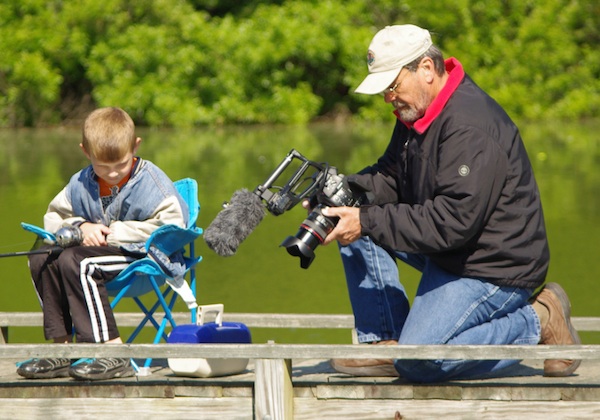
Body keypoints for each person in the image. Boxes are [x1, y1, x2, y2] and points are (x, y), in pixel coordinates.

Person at [319, 24, 581, 382]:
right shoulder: (417, 112)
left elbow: (452, 223)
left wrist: (366, 220)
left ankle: (538, 319)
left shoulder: (470, 126)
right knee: (349, 212)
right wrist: (337, 193)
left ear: (426, 68)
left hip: (496, 266)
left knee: (420, 362)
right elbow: (392, 178)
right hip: (454, 251)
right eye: (384, 90)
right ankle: (386, 341)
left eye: (393, 86)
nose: (388, 99)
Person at [17, 107, 189, 381]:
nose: (111, 173)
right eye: (102, 166)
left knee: (79, 261)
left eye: (121, 164)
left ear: (135, 146)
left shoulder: (153, 182)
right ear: (86, 151)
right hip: (92, 257)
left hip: (143, 259)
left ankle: (112, 352)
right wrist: (80, 227)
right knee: (42, 255)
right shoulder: (80, 183)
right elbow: (52, 217)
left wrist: (114, 233)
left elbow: (175, 226)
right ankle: (62, 349)